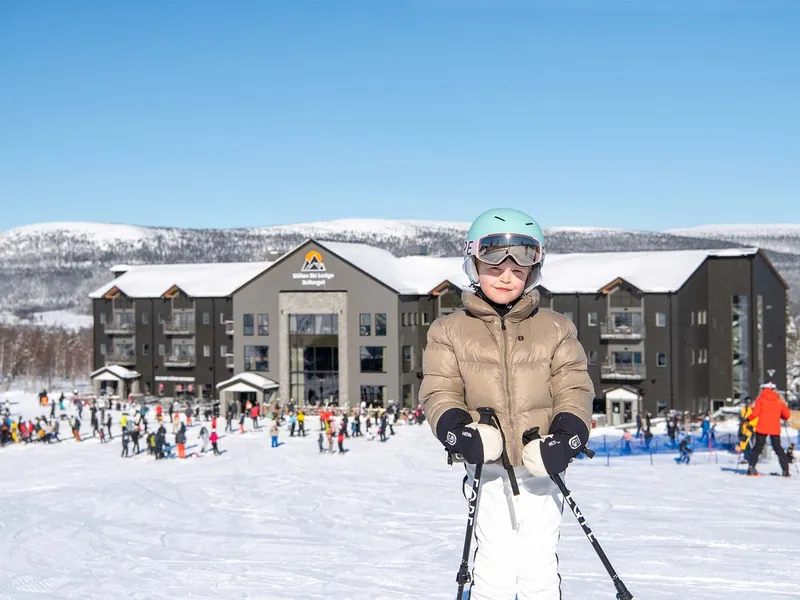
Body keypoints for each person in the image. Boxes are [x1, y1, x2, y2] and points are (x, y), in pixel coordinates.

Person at [419, 208, 593, 600]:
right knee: (494, 567)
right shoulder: (449, 330)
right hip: (488, 466)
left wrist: (567, 437)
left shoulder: (556, 328)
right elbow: (439, 390)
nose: (506, 277)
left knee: (538, 566)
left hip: (540, 463)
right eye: (494, 267)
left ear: (533, 272)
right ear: (474, 265)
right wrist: (460, 432)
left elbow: (574, 387)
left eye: (518, 269)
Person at [747, 381, 791, 477]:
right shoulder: (779, 400)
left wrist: (748, 418)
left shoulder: (760, 399)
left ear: (763, 389)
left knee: (758, 448)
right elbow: (787, 415)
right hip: (775, 428)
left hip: (762, 427)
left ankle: (751, 468)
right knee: (778, 448)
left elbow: (755, 413)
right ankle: (785, 470)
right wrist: (781, 416)